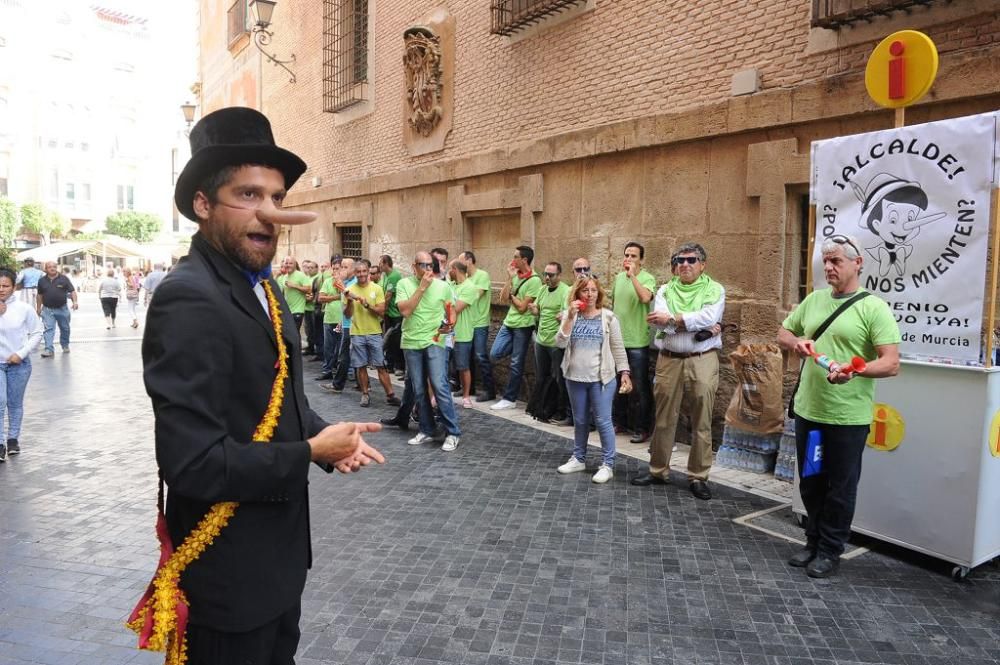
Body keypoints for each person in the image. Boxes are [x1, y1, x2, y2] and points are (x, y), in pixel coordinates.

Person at [135, 106, 384, 663]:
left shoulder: (263, 288)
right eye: (248, 195)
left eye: (277, 198)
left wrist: (326, 439)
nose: (268, 214)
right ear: (203, 203)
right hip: (227, 574)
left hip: (278, 563)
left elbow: (276, 397)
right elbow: (193, 464)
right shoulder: (189, 296)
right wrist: (309, 452)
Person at [778, 234, 900, 578]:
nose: (828, 267)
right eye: (825, 261)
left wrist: (854, 371)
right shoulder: (814, 300)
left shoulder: (873, 307)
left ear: (857, 263)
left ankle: (831, 550)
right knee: (811, 482)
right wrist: (797, 341)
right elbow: (783, 334)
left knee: (840, 487)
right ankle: (813, 540)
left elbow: (890, 363)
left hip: (847, 418)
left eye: (836, 262)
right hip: (809, 412)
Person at [632, 243, 725, 501]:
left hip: (702, 359)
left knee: (702, 420)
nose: (685, 264)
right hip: (669, 359)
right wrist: (688, 323)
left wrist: (673, 320)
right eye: (680, 260)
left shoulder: (715, 289)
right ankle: (657, 470)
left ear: (703, 264)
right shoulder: (664, 289)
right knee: (662, 418)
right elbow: (661, 323)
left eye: (691, 260)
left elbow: (708, 317)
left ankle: (698, 476)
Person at [554, 276, 631, 484]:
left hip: (602, 379)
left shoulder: (608, 318)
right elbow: (560, 343)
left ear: (599, 293)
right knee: (579, 420)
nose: (589, 294)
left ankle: (608, 464)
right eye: (585, 291)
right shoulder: (572, 316)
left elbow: (618, 348)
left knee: (603, 421)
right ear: (577, 294)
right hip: (574, 377)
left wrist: (624, 372)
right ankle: (578, 458)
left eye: (593, 290)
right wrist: (569, 317)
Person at [396, 250, 461, 451]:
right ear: (413, 266)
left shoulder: (443, 287)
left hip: (434, 341)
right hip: (411, 342)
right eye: (423, 265)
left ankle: (453, 432)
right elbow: (405, 310)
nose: (427, 269)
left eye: (430, 265)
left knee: (440, 385)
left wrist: (447, 327)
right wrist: (422, 288)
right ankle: (426, 429)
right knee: (418, 388)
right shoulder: (404, 284)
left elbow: (451, 313)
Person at [611, 242, 656, 443]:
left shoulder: (647, 278)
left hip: (637, 342)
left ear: (641, 260)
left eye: (634, 256)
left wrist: (633, 277)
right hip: (618, 342)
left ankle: (642, 428)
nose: (628, 259)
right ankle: (619, 422)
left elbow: (646, 298)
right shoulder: (618, 278)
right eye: (626, 255)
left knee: (639, 388)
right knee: (617, 386)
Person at [489, 245, 542, 410]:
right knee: (495, 353)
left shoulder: (534, 280)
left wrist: (512, 295)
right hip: (508, 323)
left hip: (523, 326)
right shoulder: (514, 276)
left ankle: (509, 399)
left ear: (524, 260)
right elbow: (503, 298)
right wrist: (510, 279)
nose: (512, 261)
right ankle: (516, 352)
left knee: (516, 362)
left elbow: (522, 307)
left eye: (515, 257)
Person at [344, 259, 401, 408]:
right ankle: (365, 394)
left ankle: (390, 395)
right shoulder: (350, 290)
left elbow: (382, 311)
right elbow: (348, 315)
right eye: (358, 272)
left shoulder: (376, 289)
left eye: (364, 271)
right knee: (361, 365)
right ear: (355, 273)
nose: (361, 274)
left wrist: (367, 305)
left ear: (368, 272)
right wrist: (350, 302)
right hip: (357, 333)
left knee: (380, 365)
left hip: (374, 333)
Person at [0, 268, 42, 462]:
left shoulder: (24, 308)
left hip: (18, 364)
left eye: (5, 285)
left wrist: (21, 353)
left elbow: (37, 333)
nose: (1, 289)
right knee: (0, 402)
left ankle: (13, 439)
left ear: (14, 287)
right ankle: (0, 443)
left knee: (14, 403)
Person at [527, 261, 571, 424]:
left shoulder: (565, 291)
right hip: (541, 339)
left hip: (555, 342)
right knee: (542, 377)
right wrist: (534, 310)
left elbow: (566, 314)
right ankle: (542, 408)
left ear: (559, 275)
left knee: (559, 378)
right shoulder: (542, 289)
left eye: (551, 275)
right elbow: (539, 310)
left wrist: (563, 315)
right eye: (545, 274)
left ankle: (560, 410)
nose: (547, 277)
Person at [459, 251, 494, 402]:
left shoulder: (482, 275)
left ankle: (489, 390)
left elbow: (475, 295)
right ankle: (469, 387)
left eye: (461, 261)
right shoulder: (465, 278)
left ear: (469, 260)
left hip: (479, 322)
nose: (460, 265)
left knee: (480, 356)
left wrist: (463, 292)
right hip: (467, 323)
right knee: (467, 356)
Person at [449, 259, 480, 408]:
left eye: (450, 269)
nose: (448, 272)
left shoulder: (470, 287)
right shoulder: (451, 285)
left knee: (463, 366)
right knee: (443, 366)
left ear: (455, 269)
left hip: (463, 333)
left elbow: (455, 308)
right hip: (447, 334)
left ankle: (466, 396)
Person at [36, 260, 78, 357]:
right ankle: (49, 349)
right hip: (47, 310)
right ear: (45, 269)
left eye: (54, 266)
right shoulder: (41, 281)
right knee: (48, 329)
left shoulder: (64, 279)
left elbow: (72, 291)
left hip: (62, 309)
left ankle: (65, 344)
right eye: (50, 267)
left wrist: (75, 302)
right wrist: (38, 308)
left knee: (65, 328)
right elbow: (39, 295)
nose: (52, 268)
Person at [315, 258, 343, 381]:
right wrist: (337, 297)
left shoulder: (345, 282)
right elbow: (320, 298)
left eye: (338, 268)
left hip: (341, 320)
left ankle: (342, 370)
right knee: (328, 347)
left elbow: (347, 295)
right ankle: (327, 370)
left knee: (340, 347)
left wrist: (331, 296)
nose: (335, 271)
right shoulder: (327, 281)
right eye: (334, 268)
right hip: (328, 319)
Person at [378, 255, 404, 376]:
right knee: (389, 339)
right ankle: (390, 363)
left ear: (386, 263)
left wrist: (382, 311)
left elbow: (388, 296)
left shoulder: (394, 276)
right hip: (389, 313)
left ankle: (397, 365)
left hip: (395, 314)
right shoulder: (386, 276)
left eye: (381, 263)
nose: (379, 266)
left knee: (395, 339)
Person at [280, 257, 311, 341]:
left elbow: (308, 289)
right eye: (286, 263)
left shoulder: (300, 275)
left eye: (290, 263)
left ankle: (297, 353)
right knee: (289, 334)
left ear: (295, 265)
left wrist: (294, 286)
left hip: (298, 310)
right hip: (287, 310)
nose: (288, 265)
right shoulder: (285, 277)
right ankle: (292, 353)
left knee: (294, 333)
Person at [301, 259, 321, 356]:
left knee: (315, 330)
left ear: (317, 268)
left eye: (312, 268)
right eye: (308, 268)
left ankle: (317, 350)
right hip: (306, 307)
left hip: (313, 308)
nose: (309, 269)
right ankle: (310, 347)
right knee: (308, 330)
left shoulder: (317, 278)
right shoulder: (307, 278)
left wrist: (309, 298)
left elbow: (315, 293)